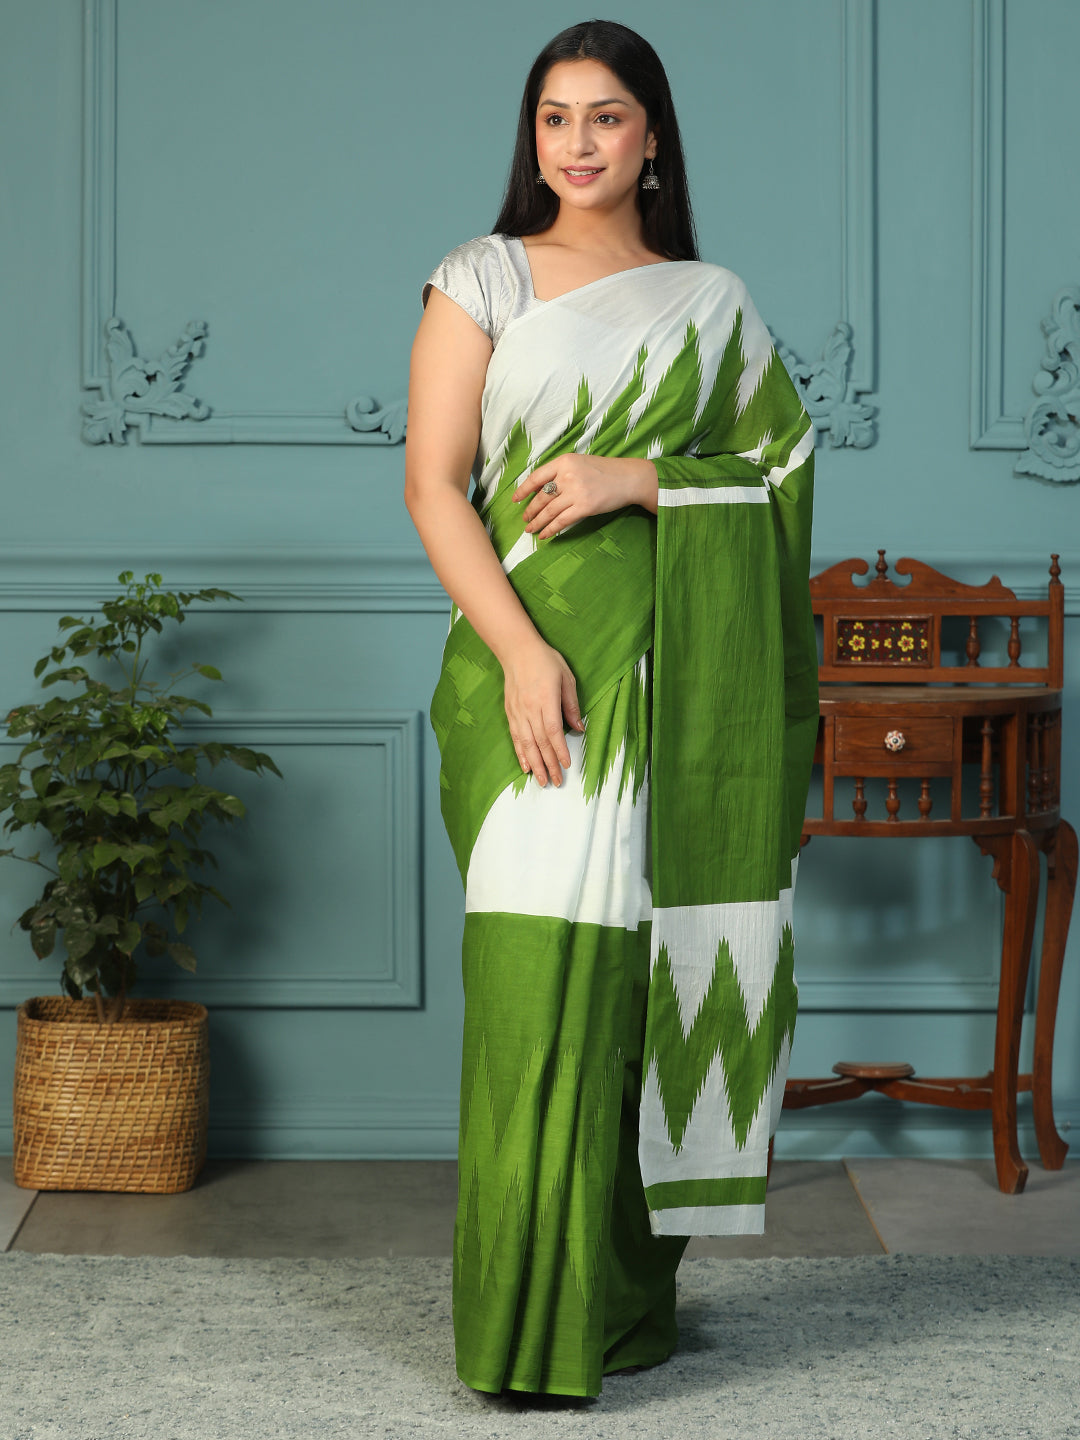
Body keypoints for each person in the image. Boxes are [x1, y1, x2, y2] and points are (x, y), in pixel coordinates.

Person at [404, 19, 817, 1399]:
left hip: (680, 692)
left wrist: (639, 478)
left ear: (653, 139)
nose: (577, 142)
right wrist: (523, 653)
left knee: (642, 993)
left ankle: (615, 1310)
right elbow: (432, 487)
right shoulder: (484, 276)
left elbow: (778, 476)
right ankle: (515, 1329)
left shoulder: (713, 303)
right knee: (534, 987)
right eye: (555, 117)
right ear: (532, 138)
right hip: (530, 681)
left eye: (606, 116)